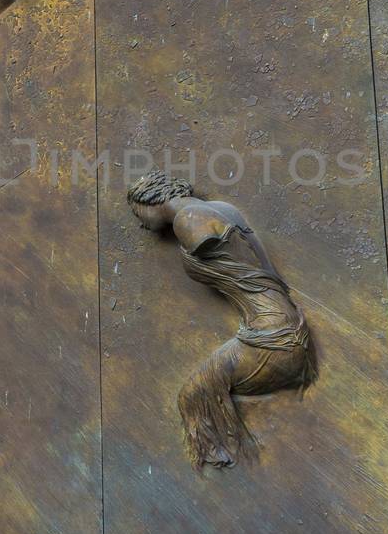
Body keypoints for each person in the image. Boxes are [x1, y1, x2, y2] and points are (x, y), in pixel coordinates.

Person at [127, 170, 316, 471]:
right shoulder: (223, 209)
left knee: (192, 396)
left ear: (151, 200)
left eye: (138, 212)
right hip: (286, 326)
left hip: (271, 337)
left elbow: (218, 250)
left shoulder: (188, 221)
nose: (140, 222)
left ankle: (236, 461)